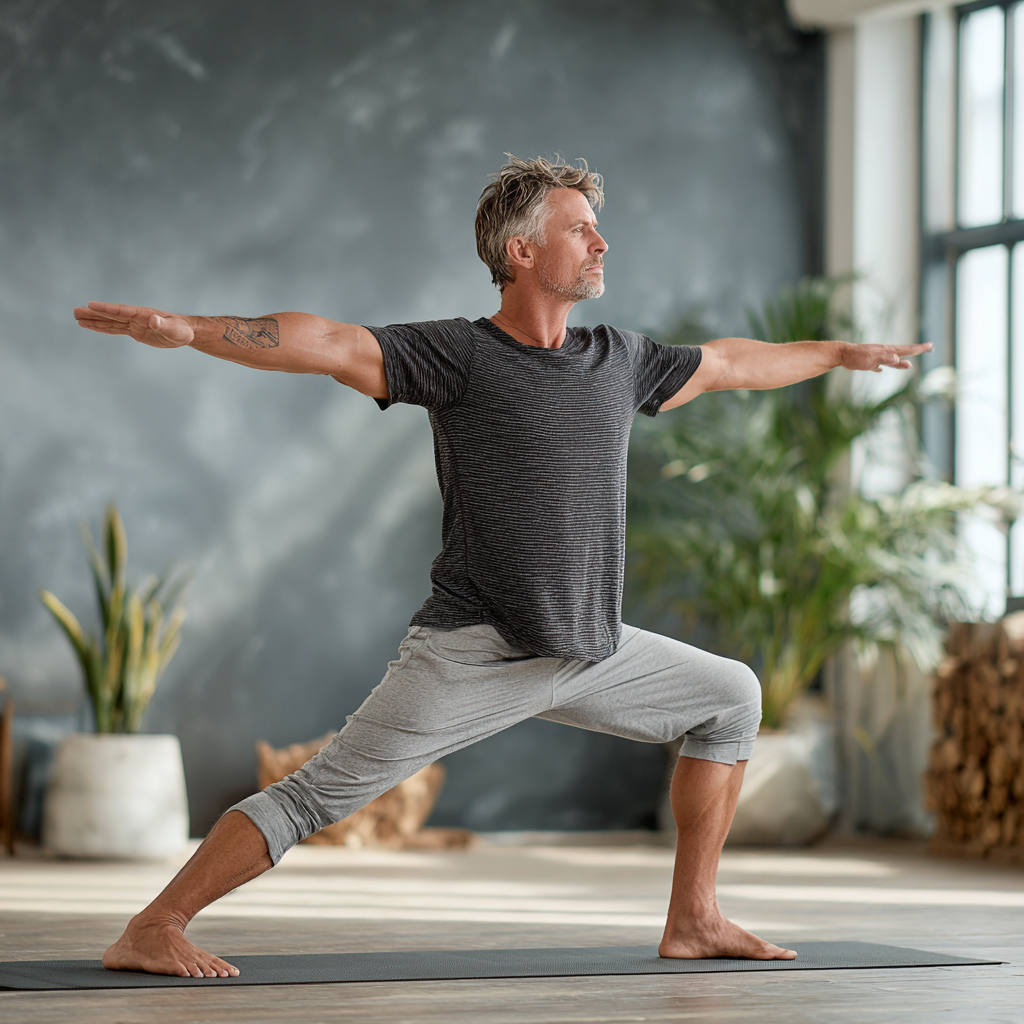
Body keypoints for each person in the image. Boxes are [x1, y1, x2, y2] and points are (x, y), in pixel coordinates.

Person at [74, 156, 928, 979]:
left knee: (732, 697)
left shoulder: (618, 359)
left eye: (599, 230)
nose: (601, 244)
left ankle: (694, 919)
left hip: (591, 651)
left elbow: (733, 362)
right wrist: (191, 331)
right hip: (475, 651)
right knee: (313, 799)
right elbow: (327, 341)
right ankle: (153, 926)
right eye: (582, 230)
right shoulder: (460, 356)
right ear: (522, 252)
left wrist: (839, 356)